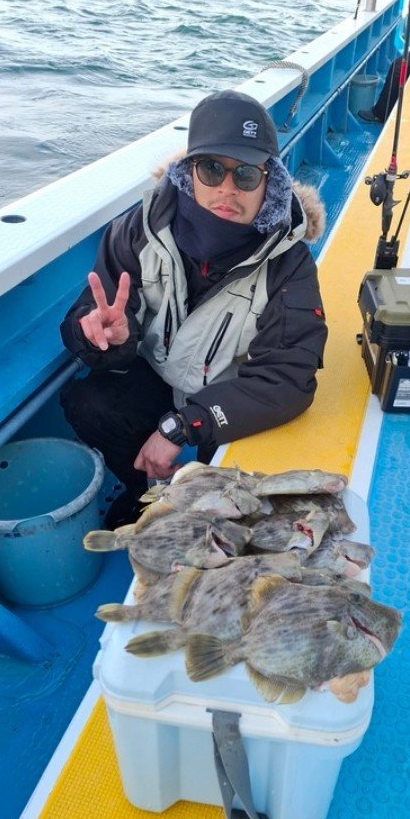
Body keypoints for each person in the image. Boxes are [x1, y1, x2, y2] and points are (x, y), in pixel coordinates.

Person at [59, 89, 328, 528]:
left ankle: (203, 502)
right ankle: (145, 493)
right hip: (158, 375)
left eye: (245, 174)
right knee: (88, 401)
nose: (227, 189)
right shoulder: (139, 228)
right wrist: (106, 337)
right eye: (211, 169)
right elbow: (95, 309)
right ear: (189, 172)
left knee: (242, 498)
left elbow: (286, 380)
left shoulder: (289, 264)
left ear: (269, 181)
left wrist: (186, 426)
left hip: (229, 396)